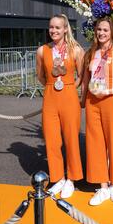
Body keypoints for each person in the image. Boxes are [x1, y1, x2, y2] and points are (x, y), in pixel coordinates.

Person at [81, 17, 113, 206]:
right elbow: (85, 81)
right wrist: (81, 99)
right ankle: (102, 187)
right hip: (93, 102)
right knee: (95, 145)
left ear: (112, 32)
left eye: (105, 30)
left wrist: (110, 91)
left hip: (111, 100)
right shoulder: (90, 54)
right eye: (99, 30)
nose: (101, 33)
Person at [36, 14, 84, 198]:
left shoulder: (76, 50)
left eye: (57, 27)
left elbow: (81, 75)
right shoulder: (42, 50)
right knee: (52, 141)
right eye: (51, 27)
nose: (54, 31)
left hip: (69, 97)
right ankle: (57, 178)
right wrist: (52, 85)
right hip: (50, 98)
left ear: (65, 29)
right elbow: (40, 75)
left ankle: (71, 178)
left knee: (71, 139)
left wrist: (70, 87)